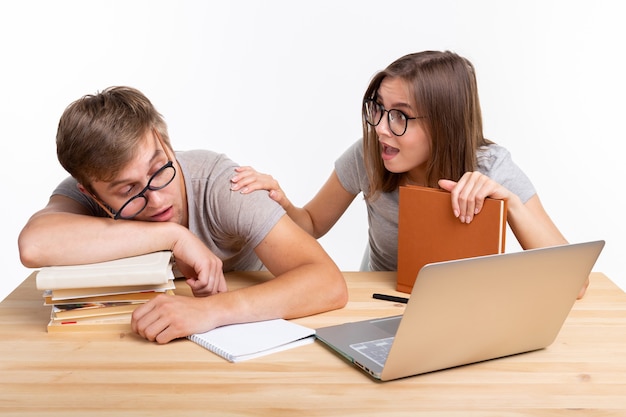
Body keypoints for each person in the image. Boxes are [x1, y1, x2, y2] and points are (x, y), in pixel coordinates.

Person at [230, 50, 586, 298]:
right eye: (379, 109)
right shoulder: (368, 155)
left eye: (400, 115)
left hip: (461, 307)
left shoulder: (490, 167)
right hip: (380, 297)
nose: (382, 128)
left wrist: (510, 203)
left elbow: (575, 282)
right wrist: (280, 200)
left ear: (444, 126)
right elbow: (310, 223)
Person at [18, 86, 348, 343]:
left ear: (165, 142)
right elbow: (34, 245)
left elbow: (327, 283)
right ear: (91, 194)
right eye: (128, 191)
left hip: (245, 334)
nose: (158, 199)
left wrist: (209, 311)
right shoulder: (88, 188)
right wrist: (174, 236)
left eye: (159, 168)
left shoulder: (223, 183)